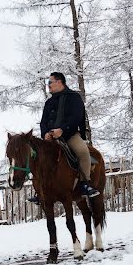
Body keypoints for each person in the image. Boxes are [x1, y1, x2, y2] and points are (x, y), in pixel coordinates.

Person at [29, 72, 99, 202]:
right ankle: (40, 190)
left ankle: (85, 184)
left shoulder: (74, 97)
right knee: (39, 157)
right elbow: (43, 121)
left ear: (59, 82)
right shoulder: (49, 102)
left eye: (50, 82)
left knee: (83, 152)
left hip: (70, 135)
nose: (48, 85)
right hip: (50, 138)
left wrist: (62, 130)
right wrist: (45, 133)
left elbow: (76, 117)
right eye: (48, 82)